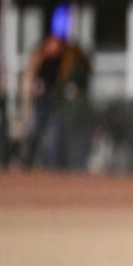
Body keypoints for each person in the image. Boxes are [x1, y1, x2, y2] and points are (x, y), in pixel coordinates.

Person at [22, 34, 91, 168]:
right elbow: (34, 80)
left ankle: (53, 166)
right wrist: (35, 87)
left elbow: (63, 82)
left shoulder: (64, 62)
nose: (52, 47)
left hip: (55, 103)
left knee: (54, 136)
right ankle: (27, 162)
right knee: (34, 132)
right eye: (50, 44)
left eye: (55, 44)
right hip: (41, 102)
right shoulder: (41, 61)